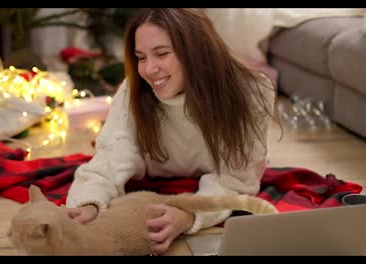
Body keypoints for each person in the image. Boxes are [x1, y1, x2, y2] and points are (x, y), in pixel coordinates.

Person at [65, 8, 277, 255]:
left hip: (209, 188)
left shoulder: (252, 91)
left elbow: (235, 179)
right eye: (141, 57)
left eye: (162, 54)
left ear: (196, 51)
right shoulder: (132, 90)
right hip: (151, 177)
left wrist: (188, 215)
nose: (148, 69)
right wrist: (89, 203)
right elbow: (110, 158)